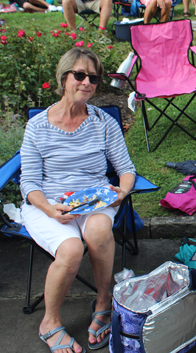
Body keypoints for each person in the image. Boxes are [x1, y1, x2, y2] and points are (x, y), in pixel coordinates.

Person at [20, 47, 136, 353]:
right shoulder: (37, 127)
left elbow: (126, 170)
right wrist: (49, 209)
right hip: (49, 203)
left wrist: (121, 193)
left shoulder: (103, 122)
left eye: (94, 78)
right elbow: (29, 182)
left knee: (97, 232)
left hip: (94, 199)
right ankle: (50, 322)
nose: (87, 82)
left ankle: (103, 300)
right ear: (64, 77)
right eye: (80, 75)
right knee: (70, 249)